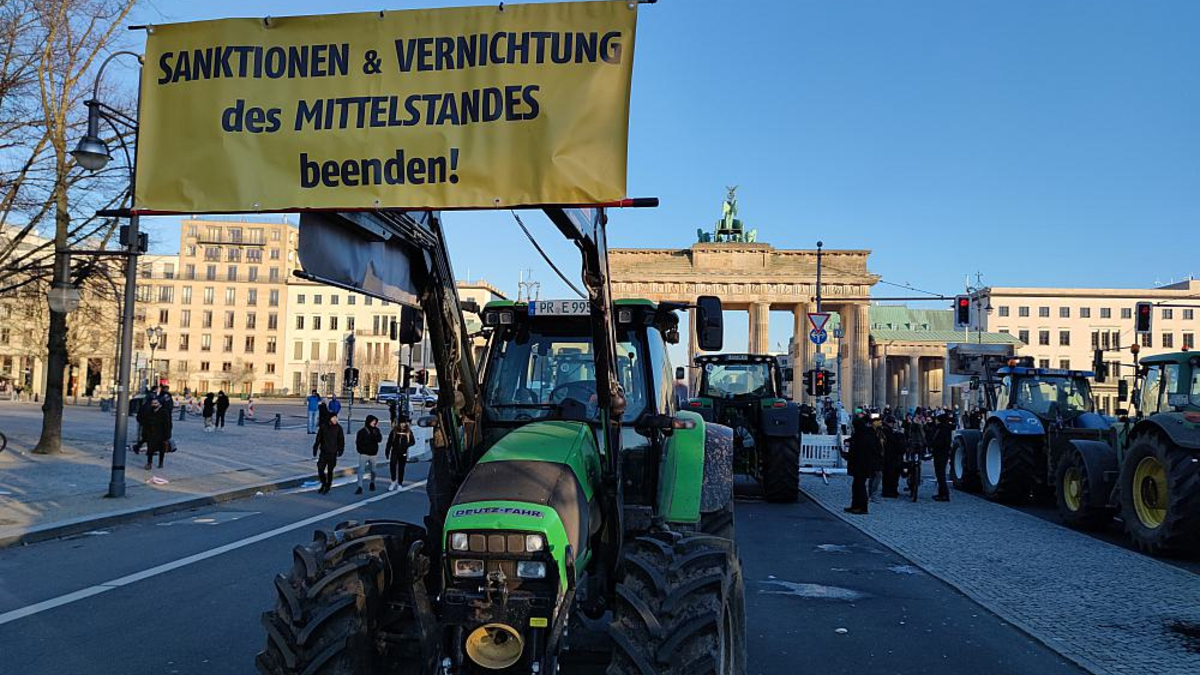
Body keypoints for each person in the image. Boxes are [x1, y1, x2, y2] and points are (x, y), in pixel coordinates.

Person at [844, 413, 884, 514]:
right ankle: (855, 506)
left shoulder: (865, 434)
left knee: (860, 486)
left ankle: (862, 507)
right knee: (856, 485)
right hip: (859, 463)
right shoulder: (862, 434)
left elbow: (868, 451)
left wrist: (867, 416)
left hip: (862, 464)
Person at [312, 413, 345, 494]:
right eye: (333, 418)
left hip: (333, 453)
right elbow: (318, 438)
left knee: (330, 470)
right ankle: (324, 483)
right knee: (320, 468)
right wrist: (315, 448)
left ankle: (328, 485)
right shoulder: (323, 427)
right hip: (323, 452)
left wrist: (341, 450)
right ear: (330, 418)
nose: (335, 419)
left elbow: (341, 440)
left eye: (336, 418)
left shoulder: (339, 428)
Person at [354, 414, 383, 494]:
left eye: (375, 422)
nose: (375, 423)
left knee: (373, 470)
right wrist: (360, 450)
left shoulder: (376, 430)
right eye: (373, 421)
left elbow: (380, 439)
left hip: (373, 454)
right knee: (361, 470)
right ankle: (360, 486)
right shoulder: (362, 431)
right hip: (364, 453)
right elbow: (358, 442)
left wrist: (374, 435)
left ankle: (372, 482)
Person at [386, 415, 415, 491]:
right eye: (401, 423)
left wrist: (406, 445)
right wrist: (387, 451)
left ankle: (400, 483)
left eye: (403, 423)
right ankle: (393, 481)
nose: (402, 425)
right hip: (394, 451)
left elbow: (413, 441)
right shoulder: (394, 431)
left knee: (401, 468)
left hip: (403, 451)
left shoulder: (408, 431)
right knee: (392, 465)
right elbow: (389, 442)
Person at [930, 411, 954, 501]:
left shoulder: (942, 429)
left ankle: (944, 494)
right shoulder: (945, 428)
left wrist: (934, 445)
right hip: (941, 453)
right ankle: (941, 493)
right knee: (940, 474)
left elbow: (941, 442)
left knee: (940, 475)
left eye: (937, 420)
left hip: (940, 454)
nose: (935, 421)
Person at [139, 397, 170, 470]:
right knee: (150, 449)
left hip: (161, 433)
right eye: (152, 403)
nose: (154, 405)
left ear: (160, 404)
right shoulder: (150, 411)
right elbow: (145, 422)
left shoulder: (164, 412)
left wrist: (167, 435)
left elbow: (167, 425)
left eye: (155, 403)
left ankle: (161, 462)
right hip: (151, 433)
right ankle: (149, 463)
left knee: (161, 449)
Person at [881, 415, 905, 498]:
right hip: (890, 456)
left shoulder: (888, 430)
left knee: (893, 474)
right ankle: (888, 491)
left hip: (892, 456)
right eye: (892, 423)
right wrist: (900, 434)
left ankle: (892, 490)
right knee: (889, 474)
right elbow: (893, 441)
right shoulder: (886, 430)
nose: (893, 424)